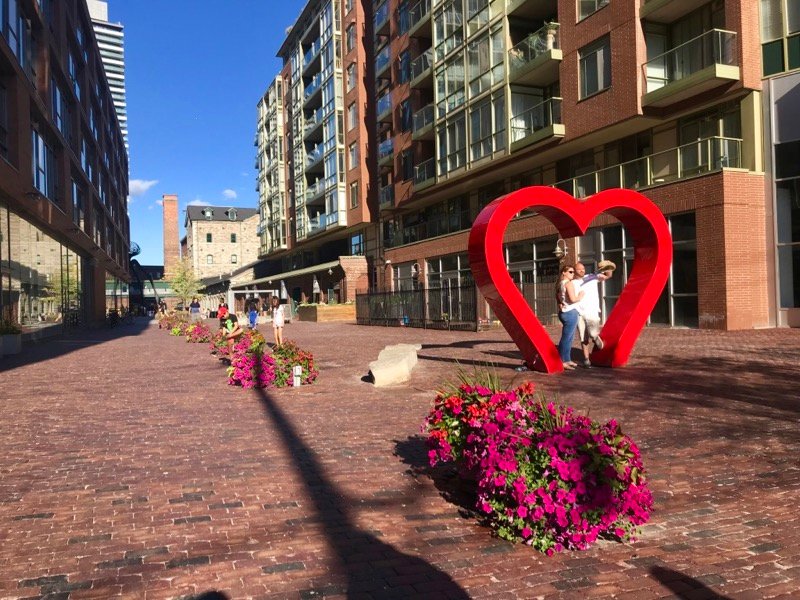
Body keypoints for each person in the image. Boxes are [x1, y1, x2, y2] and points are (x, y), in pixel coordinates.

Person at [574, 260, 615, 368]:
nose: (582, 270)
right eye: (579, 269)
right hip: (579, 313)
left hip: (591, 311)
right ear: (574, 271)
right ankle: (586, 360)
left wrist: (609, 268)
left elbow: (607, 276)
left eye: (583, 268)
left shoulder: (591, 277)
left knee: (593, 334)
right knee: (583, 337)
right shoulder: (572, 283)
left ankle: (597, 340)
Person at [555, 263, 583, 370]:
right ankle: (562, 361)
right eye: (570, 272)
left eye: (573, 272)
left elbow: (557, 297)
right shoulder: (568, 283)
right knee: (567, 338)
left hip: (564, 312)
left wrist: (560, 304)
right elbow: (573, 299)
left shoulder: (560, 284)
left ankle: (567, 359)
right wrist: (580, 295)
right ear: (564, 273)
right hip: (570, 313)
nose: (573, 274)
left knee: (568, 337)